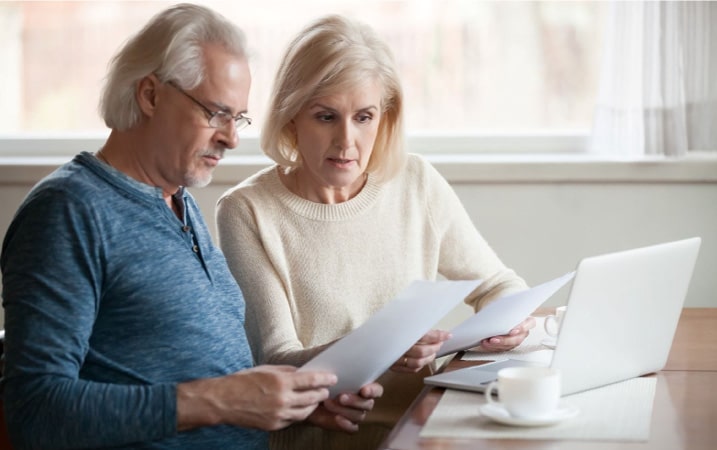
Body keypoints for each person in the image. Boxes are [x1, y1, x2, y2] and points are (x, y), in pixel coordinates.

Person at [0, 5, 382, 449]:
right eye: (216, 113)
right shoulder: (68, 212)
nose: (231, 138)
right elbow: (34, 412)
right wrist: (218, 401)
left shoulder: (178, 199)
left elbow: (200, 375)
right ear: (150, 95)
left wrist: (297, 400)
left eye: (237, 118)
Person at [216, 14, 535, 450]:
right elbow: (278, 359)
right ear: (291, 118)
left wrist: (509, 320)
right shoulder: (247, 210)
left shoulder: (416, 181)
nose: (346, 141)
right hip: (320, 440)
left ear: (384, 118)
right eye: (326, 116)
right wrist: (382, 345)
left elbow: (499, 284)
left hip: (420, 430)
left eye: (363, 117)